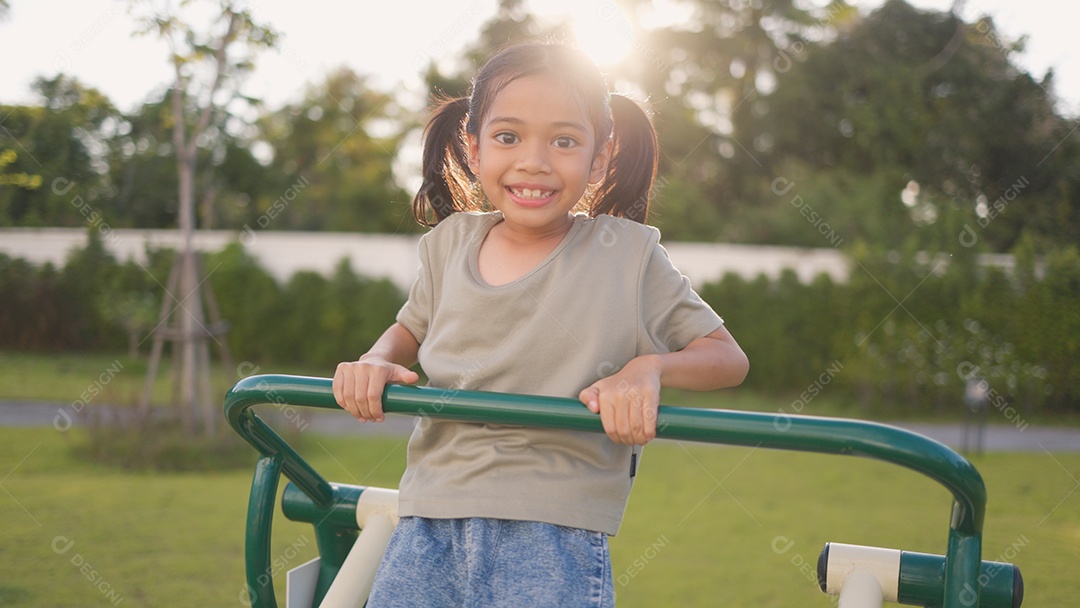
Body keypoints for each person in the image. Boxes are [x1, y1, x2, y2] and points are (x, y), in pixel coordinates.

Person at [333, 42, 749, 607]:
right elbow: (411, 328)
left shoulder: (626, 255)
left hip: (554, 530)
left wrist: (648, 368)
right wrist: (378, 359)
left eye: (564, 141)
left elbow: (726, 358)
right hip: (429, 515)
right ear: (474, 149)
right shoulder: (448, 244)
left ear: (599, 158)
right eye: (508, 137)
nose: (534, 161)